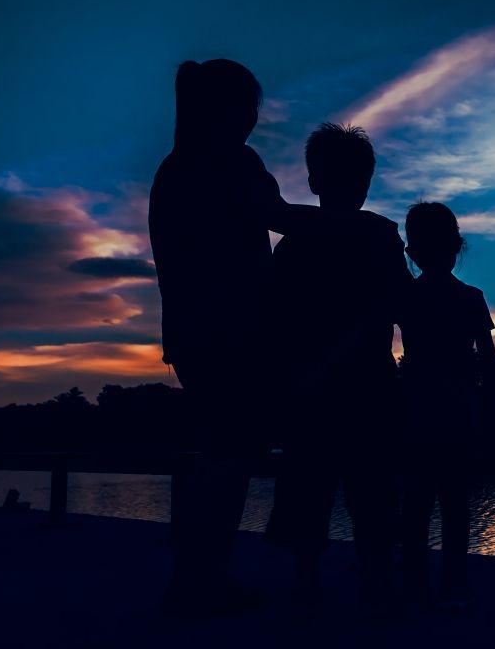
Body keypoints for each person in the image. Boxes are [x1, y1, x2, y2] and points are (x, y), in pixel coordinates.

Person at [149, 59, 327, 615]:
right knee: (228, 458)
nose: (255, 118)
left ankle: (198, 576)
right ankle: (198, 582)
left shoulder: (174, 168)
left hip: (192, 335)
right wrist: (354, 224)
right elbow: (278, 217)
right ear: (229, 109)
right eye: (250, 107)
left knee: (220, 454)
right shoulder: (230, 161)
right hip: (230, 335)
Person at [264, 124, 410, 611]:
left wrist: (300, 373)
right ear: (365, 184)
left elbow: (274, 317)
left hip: (314, 388)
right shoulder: (381, 236)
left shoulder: (292, 244)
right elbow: (393, 306)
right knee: (371, 492)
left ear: (313, 181)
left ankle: (309, 587)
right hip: (365, 384)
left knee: (311, 490)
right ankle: (377, 586)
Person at [398, 202, 495, 609]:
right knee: (455, 506)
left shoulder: (406, 297)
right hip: (458, 411)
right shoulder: (471, 298)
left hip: (417, 411)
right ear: (456, 246)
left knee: (416, 505)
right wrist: (493, 414)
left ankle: (415, 586)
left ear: (413, 251)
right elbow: (489, 364)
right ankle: (454, 584)